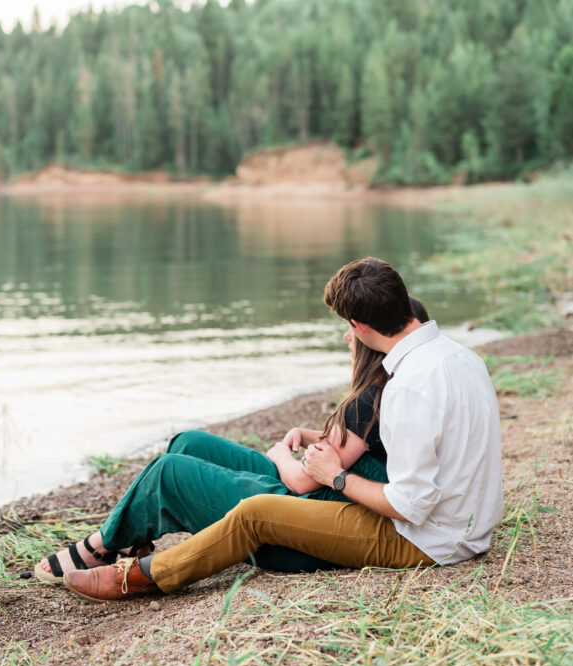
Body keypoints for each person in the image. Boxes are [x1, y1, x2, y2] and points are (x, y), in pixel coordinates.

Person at [57, 258, 502, 603]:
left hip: (430, 542)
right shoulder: (463, 358)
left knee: (257, 512)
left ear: (360, 327)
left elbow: (411, 505)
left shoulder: (409, 386)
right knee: (261, 498)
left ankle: (143, 577)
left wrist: (336, 477)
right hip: (464, 527)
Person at [35, 293, 428, 586]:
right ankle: (128, 539)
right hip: (327, 498)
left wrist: (280, 455)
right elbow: (350, 450)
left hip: (312, 523)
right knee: (189, 443)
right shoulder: (385, 392)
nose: (347, 336)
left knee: (170, 472)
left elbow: (306, 480)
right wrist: (315, 439)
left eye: (351, 327)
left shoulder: (373, 398)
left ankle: (101, 543)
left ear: (370, 334)